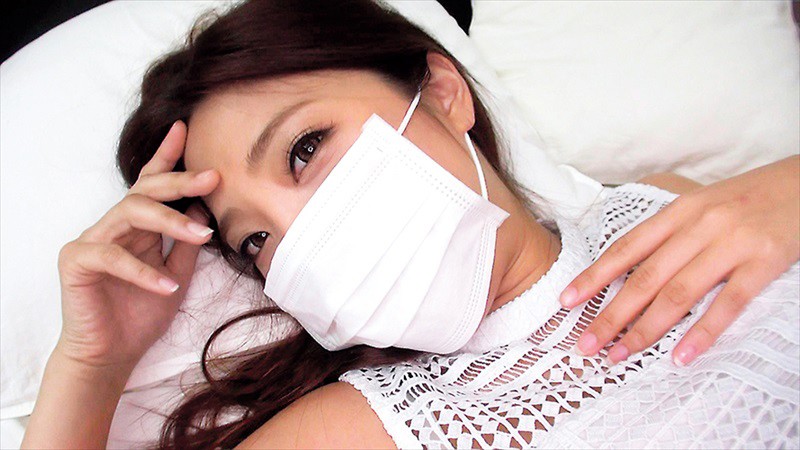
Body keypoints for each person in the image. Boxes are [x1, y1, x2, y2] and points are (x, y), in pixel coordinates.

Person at [21, 0, 800, 448]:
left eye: (305, 148)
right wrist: (90, 366)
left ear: (442, 94)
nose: (300, 237)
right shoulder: (354, 430)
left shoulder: (666, 205)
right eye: (256, 241)